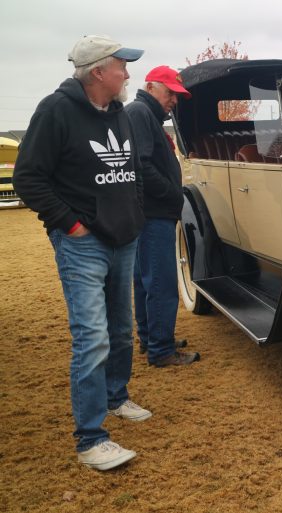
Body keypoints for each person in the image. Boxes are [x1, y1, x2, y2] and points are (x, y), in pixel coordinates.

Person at [13, 35, 149, 471]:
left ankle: (116, 396)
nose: (128, 74)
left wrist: (136, 216)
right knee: (93, 338)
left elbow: (131, 173)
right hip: (82, 244)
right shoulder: (55, 111)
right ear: (97, 73)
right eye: (121, 67)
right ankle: (91, 439)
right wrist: (70, 225)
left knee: (122, 329)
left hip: (123, 238)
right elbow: (29, 178)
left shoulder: (120, 113)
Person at [126, 66, 200, 367]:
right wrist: (172, 194)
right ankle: (161, 350)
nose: (174, 100)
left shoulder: (145, 114)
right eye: (170, 93)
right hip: (153, 214)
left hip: (149, 213)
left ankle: (151, 339)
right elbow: (141, 166)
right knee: (161, 282)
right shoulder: (141, 114)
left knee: (146, 279)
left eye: (177, 95)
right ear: (152, 86)